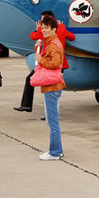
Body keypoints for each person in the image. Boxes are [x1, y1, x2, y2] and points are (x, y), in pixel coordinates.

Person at [15, 11, 75, 113]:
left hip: (48, 63)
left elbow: (33, 36)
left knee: (43, 85)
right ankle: (48, 111)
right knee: (53, 89)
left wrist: (38, 27)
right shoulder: (61, 28)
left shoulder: (45, 31)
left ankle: (28, 105)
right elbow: (72, 37)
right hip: (62, 62)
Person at [35, 15, 66, 160]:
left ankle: (55, 152)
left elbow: (54, 63)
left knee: (52, 121)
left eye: (46, 28)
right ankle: (56, 150)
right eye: (42, 28)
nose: (44, 30)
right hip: (52, 86)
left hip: (52, 86)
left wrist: (40, 60)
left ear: (54, 29)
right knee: (51, 119)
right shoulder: (51, 42)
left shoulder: (53, 44)